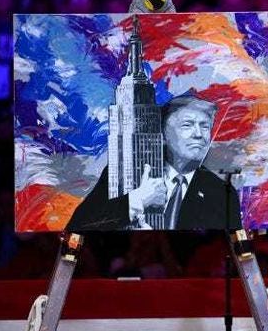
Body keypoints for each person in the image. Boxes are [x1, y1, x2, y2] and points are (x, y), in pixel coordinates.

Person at [67, 95, 241, 231]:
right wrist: (136, 200)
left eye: (204, 126)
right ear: (163, 136)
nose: (199, 134)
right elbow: (78, 227)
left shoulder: (222, 194)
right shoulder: (124, 173)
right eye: (187, 125)